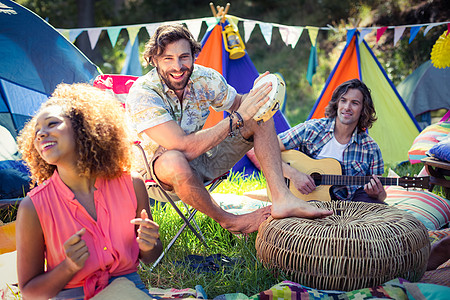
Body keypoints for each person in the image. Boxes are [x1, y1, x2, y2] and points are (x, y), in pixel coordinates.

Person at [126, 24, 332, 235]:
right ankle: (230, 221)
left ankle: (282, 199)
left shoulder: (204, 78)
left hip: (202, 159)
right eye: (168, 58)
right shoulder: (144, 93)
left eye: (184, 57)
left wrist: (260, 94)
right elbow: (183, 147)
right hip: (157, 176)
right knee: (175, 159)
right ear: (153, 60)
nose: (178, 66)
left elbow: (241, 103)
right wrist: (238, 118)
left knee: (259, 114)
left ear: (194, 56)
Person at [16, 83, 162, 299]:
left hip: (129, 292)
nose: (40, 134)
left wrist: (150, 245)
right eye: (36, 131)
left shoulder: (132, 184)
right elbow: (30, 292)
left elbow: (151, 256)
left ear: (83, 127)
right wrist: (69, 267)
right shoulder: (33, 207)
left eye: (52, 124)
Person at [278, 79, 386, 203]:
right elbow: (267, 150)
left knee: (383, 211)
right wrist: (293, 175)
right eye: (343, 100)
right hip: (304, 200)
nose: (347, 107)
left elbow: (381, 196)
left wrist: (376, 194)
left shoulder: (371, 148)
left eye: (354, 103)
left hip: (348, 207)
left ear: (363, 109)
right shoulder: (312, 129)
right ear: (337, 103)